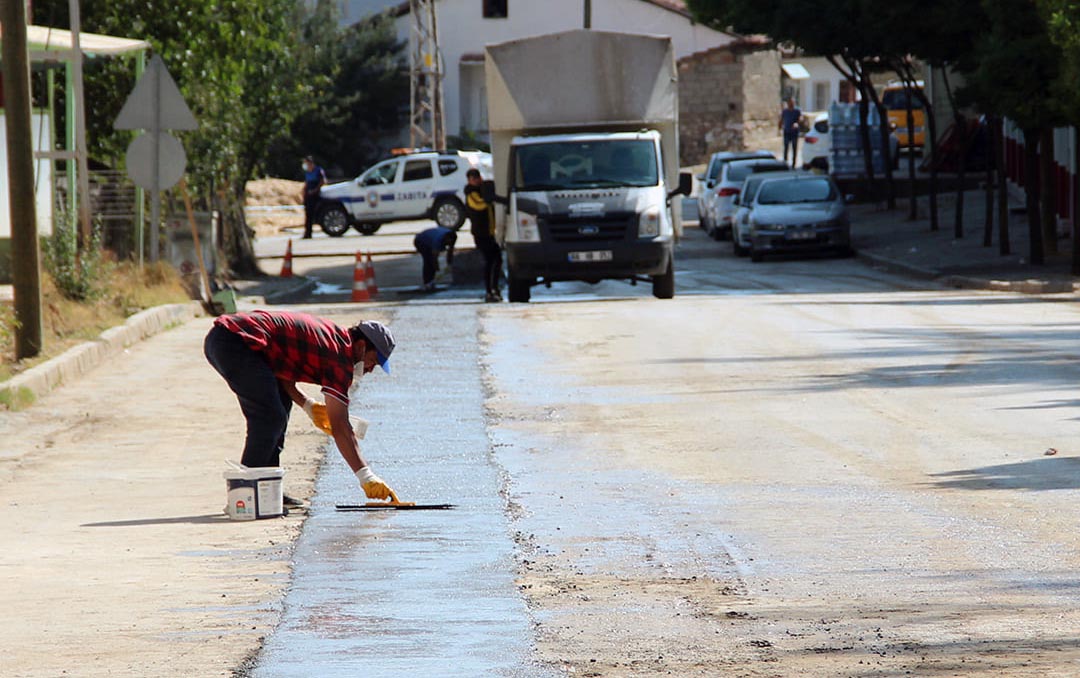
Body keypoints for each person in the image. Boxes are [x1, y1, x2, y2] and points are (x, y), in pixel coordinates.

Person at [204, 310, 397, 504]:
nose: (371, 370)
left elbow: (283, 374)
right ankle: (247, 495)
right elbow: (341, 427)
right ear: (362, 347)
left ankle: (268, 491)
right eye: (373, 361)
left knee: (280, 405)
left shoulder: (335, 340)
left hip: (230, 340)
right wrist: (366, 476)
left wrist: (308, 405)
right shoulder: (339, 357)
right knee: (270, 417)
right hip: (233, 341)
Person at [464, 168, 506, 302]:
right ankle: (489, 291)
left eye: (477, 177)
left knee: (497, 259)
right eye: (473, 178)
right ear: (469, 180)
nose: (476, 180)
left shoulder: (482, 190)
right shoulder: (471, 193)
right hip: (480, 234)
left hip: (488, 233)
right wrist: (489, 198)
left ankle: (494, 289)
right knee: (490, 261)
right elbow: (479, 205)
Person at [413, 225, 457, 291]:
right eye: (447, 242)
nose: (448, 244)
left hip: (430, 238)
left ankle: (431, 282)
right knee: (428, 261)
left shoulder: (453, 237)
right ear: (446, 239)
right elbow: (434, 257)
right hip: (420, 241)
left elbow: (450, 251)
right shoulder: (438, 239)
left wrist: (449, 264)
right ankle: (427, 282)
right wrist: (436, 267)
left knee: (431, 263)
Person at [300, 156, 327, 239]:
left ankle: (310, 232)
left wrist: (315, 190)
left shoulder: (318, 170)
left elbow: (323, 181)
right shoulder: (307, 172)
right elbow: (307, 183)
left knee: (313, 213)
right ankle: (307, 233)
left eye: (307, 163)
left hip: (315, 195)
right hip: (308, 195)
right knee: (308, 214)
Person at [778, 98, 803, 168]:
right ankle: (785, 163)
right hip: (786, 131)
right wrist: (779, 127)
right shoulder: (785, 111)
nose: (791, 104)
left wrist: (797, 123)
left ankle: (794, 164)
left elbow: (801, 118)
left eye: (792, 103)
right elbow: (781, 119)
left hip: (794, 132)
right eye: (790, 103)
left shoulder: (797, 111)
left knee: (794, 147)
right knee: (786, 147)